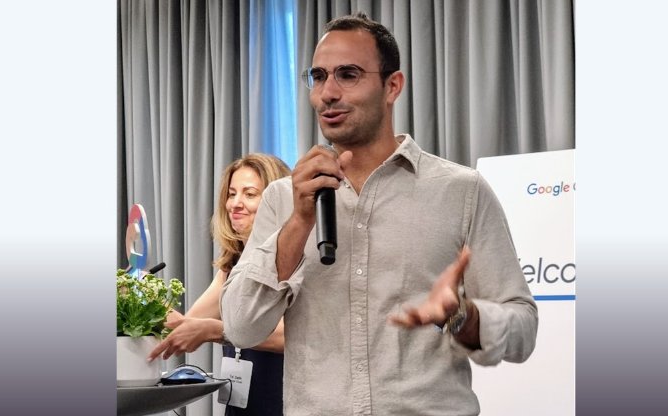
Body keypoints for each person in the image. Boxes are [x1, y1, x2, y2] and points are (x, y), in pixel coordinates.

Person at [221, 12, 538, 416]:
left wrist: (462, 316)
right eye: (318, 76)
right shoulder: (284, 199)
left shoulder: (461, 191)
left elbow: (523, 330)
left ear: (393, 86)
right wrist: (298, 223)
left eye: (348, 75)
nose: (327, 93)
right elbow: (241, 327)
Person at [148, 153, 291, 416]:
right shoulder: (231, 268)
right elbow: (185, 325)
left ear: (277, 201)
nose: (235, 204)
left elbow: (288, 336)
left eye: (250, 194)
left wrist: (214, 330)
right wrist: (140, 296)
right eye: (232, 194)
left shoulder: (291, 261)